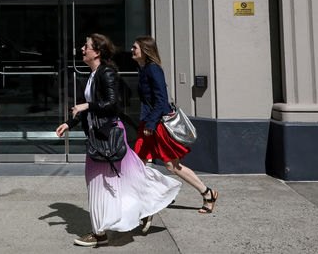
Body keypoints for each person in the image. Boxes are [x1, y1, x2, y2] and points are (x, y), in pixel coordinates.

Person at [56, 34, 181, 247]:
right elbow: (89, 107)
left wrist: (87, 106)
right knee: (125, 179)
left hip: (108, 136)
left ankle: (100, 233)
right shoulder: (93, 75)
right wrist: (70, 123)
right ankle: (144, 206)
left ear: (97, 52)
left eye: (85, 47)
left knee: (101, 184)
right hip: (98, 135)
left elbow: (113, 104)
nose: (82, 50)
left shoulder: (106, 73)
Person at [132, 35, 218, 215]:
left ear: (145, 51)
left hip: (155, 125)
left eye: (135, 48)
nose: (132, 50)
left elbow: (161, 100)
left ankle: (207, 193)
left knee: (172, 165)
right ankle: (151, 197)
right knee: (139, 161)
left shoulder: (153, 69)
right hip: (148, 123)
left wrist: (152, 123)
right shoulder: (143, 69)